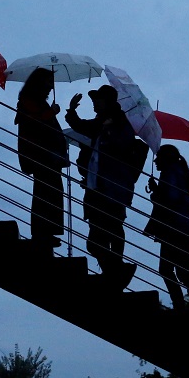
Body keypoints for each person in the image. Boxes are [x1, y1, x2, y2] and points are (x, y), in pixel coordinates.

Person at [64, 84, 143, 290]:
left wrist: (107, 130)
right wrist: (71, 110)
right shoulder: (102, 123)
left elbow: (121, 146)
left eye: (97, 100)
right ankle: (116, 272)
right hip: (97, 187)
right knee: (98, 236)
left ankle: (115, 271)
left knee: (112, 229)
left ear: (107, 102)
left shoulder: (119, 123)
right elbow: (82, 127)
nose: (94, 104)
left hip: (111, 188)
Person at [14, 67, 70, 248]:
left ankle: (47, 231)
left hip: (46, 156)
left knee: (50, 192)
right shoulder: (28, 102)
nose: (51, 88)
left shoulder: (33, 102)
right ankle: (42, 232)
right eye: (48, 83)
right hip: (41, 156)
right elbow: (35, 123)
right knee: (45, 193)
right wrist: (51, 113)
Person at [144, 144, 189, 309]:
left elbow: (170, 199)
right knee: (182, 271)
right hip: (185, 228)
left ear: (165, 159)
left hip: (174, 228)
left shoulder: (170, 173)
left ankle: (183, 305)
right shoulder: (180, 172)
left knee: (168, 269)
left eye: (158, 157)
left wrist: (155, 192)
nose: (155, 160)